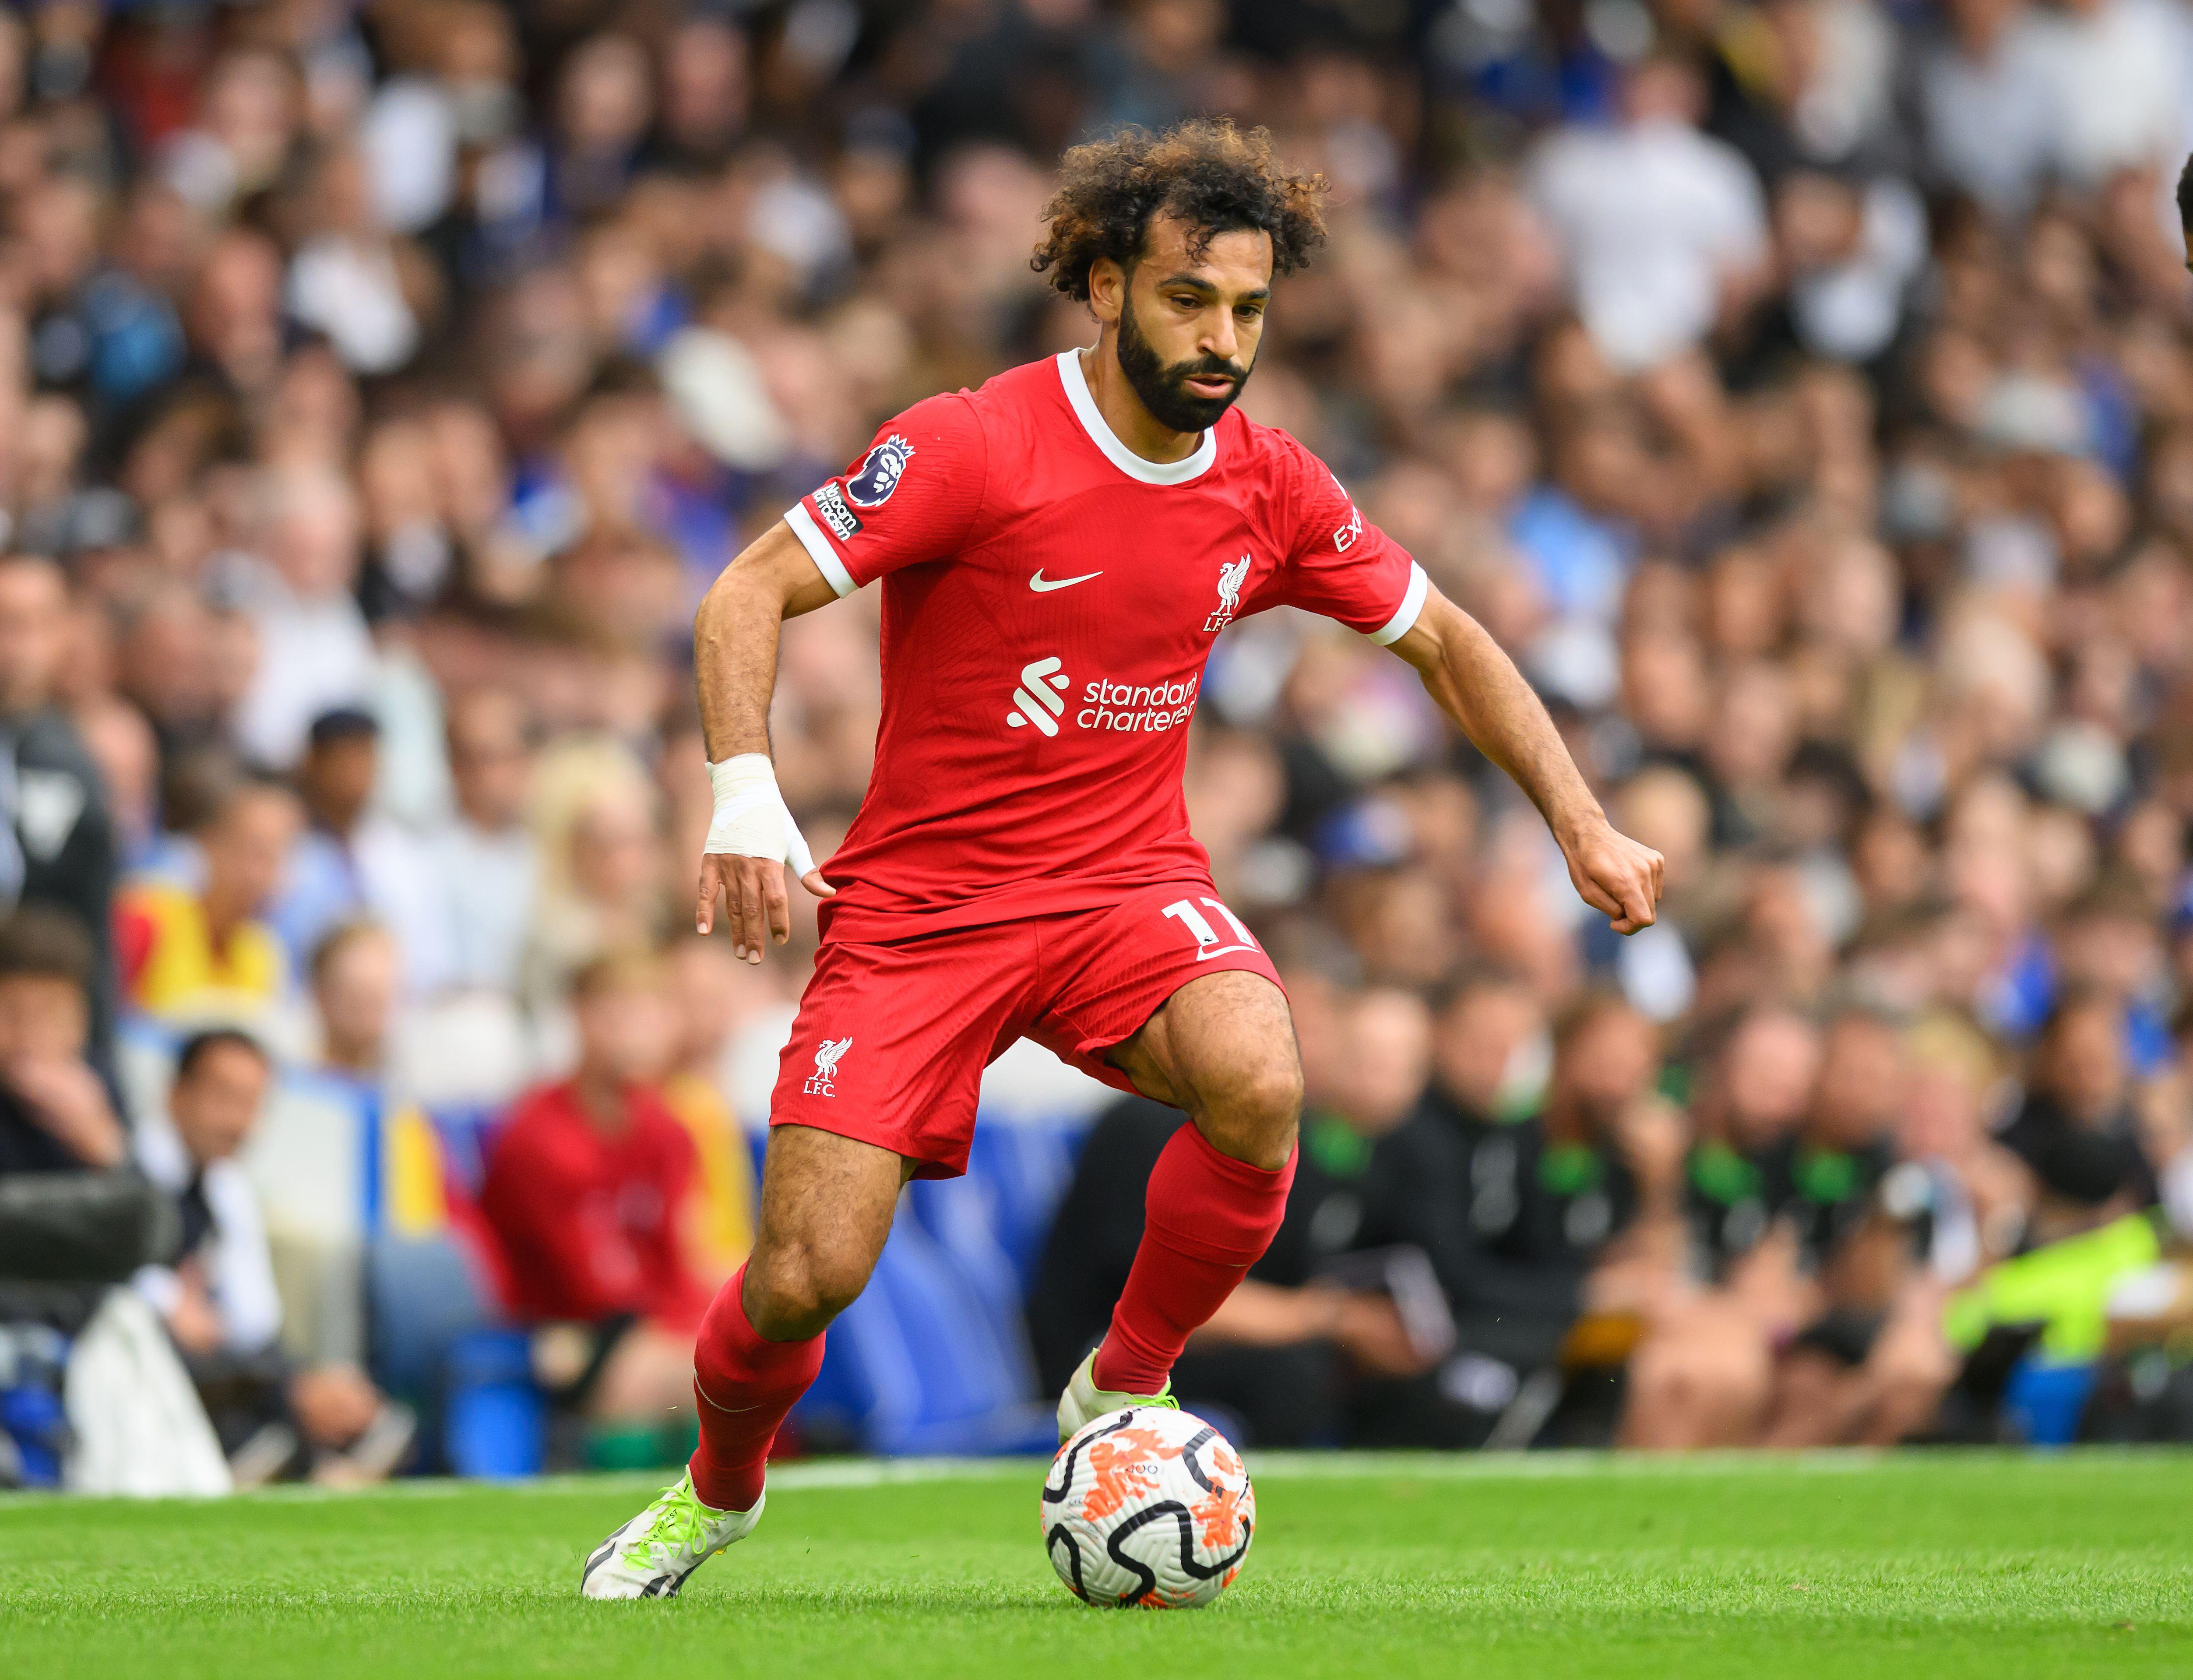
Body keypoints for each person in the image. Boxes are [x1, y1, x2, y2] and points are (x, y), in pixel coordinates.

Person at [584, 118, 1665, 1597]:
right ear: (1100, 283)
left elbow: (1446, 639)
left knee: (1260, 1072)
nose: (1221, 340)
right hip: (922, 911)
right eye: (1186, 301)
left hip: (1121, 888)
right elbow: (746, 591)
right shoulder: (971, 443)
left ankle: (1119, 1379)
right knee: (803, 1275)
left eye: (1248, 310)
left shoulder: (1266, 482)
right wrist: (742, 791)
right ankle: (713, 1493)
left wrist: (1579, 820)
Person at [133, 1028, 413, 1484]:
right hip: (152, 1374)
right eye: (223, 1096)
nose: (237, 1122)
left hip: (230, 1376)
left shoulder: (230, 1190)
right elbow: (139, 1303)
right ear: (175, 1094)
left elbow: (253, 1324)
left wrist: (307, 1383)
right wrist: (168, 1304)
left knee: (361, 1414)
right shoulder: (126, 1174)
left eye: (252, 1104)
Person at [479, 950, 712, 1463]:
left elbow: (676, 1262)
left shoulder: (670, 1131)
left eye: (653, 1012)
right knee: (676, 1372)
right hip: (550, 1332)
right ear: (581, 1019)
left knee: (747, 1344)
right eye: (622, 1013)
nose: (640, 1032)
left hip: (637, 1325)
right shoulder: (537, 1135)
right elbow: (591, 1287)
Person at [114, 773, 300, 1025]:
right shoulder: (146, 917)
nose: (259, 875)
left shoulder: (264, 955)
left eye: (276, 857)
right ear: (207, 843)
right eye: (251, 851)